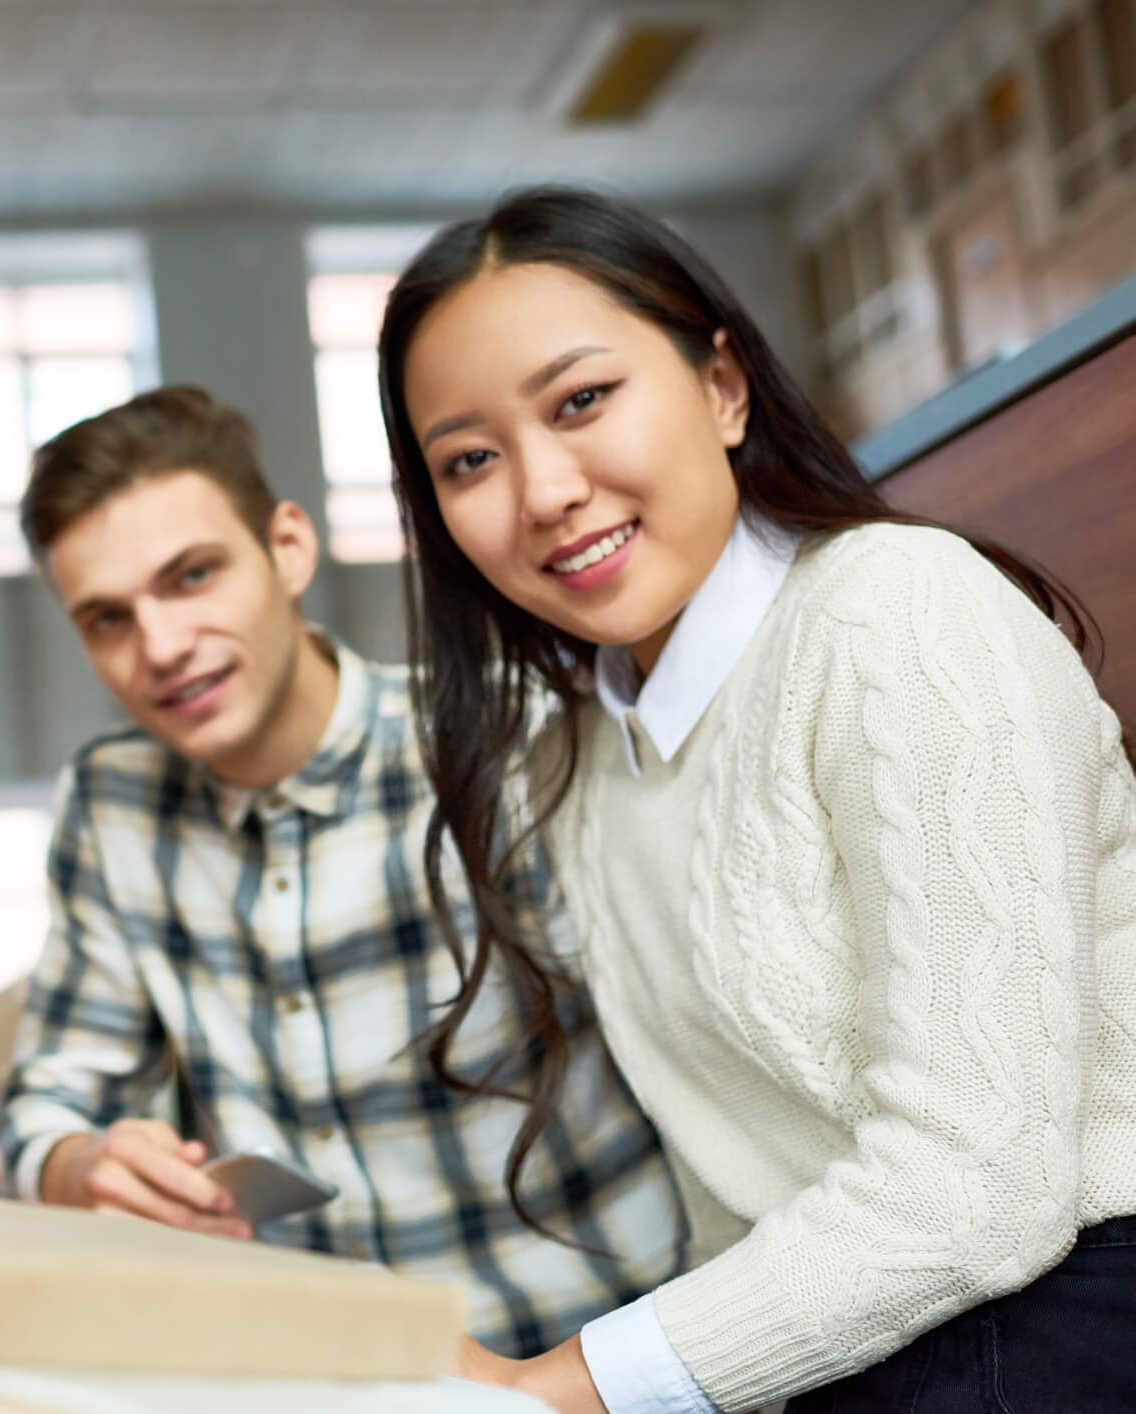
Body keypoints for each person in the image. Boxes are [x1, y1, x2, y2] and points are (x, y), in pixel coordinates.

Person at [378, 185, 1136, 1413]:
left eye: (581, 401)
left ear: (723, 387)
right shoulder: (579, 756)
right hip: (849, 1353)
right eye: (469, 459)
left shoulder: (897, 610)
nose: (545, 490)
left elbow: (978, 1188)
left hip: (1069, 1309)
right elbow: (736, 1201)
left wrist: (557, 1388)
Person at [0, 385, 688, 1359]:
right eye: (108, 619)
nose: (159, 646)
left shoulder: (501, 740)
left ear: (287, 547)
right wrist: (79, 1164)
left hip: (582, 1365)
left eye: (191, 576)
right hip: (317, 1376)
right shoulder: (113, 805)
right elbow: (47, 1101)